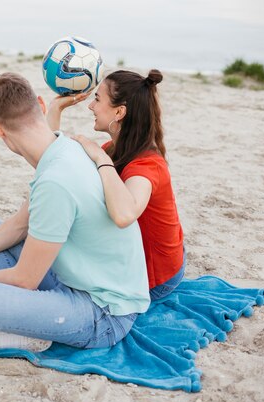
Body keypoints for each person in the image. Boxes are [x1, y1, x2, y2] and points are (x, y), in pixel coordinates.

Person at [0, 73, 149, 354]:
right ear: (41, 104)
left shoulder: (55, 181)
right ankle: (34, 315)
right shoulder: (63, 148)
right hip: (73, 278)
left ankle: (34, 330)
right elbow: (18, 226)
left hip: (104, 313)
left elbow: (26, 279)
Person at [46, 69, 185, 301]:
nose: (90, 106)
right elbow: (55, 165)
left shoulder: (147, 165)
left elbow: (124, 215)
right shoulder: (115, 148)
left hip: (156, 278)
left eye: (97, 99)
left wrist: (100, 159)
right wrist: (55, 109)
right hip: (135, 257)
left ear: (119, 112)